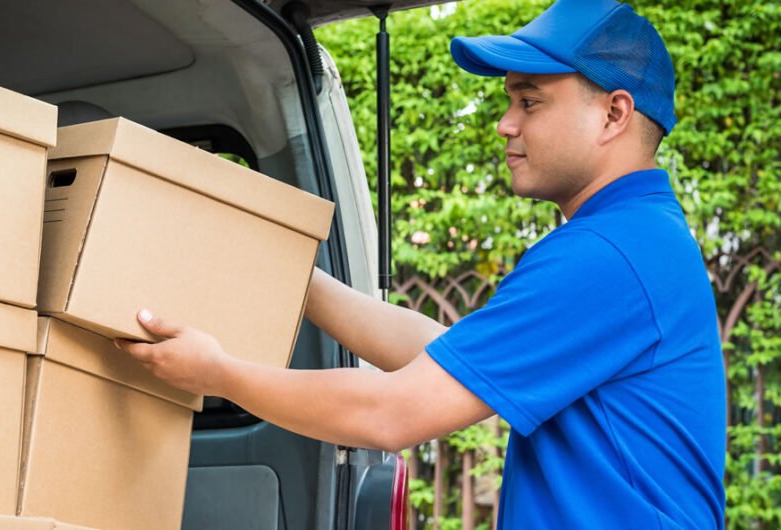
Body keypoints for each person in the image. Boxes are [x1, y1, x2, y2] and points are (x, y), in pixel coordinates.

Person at [115, 0, 726, 528]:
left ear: (614, 114)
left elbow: (393, 412)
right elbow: (445, 353)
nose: (504, 123)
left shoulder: (607, 256)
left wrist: (216, 373)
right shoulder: (636, 239)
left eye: (529, 101)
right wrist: (291, 274)